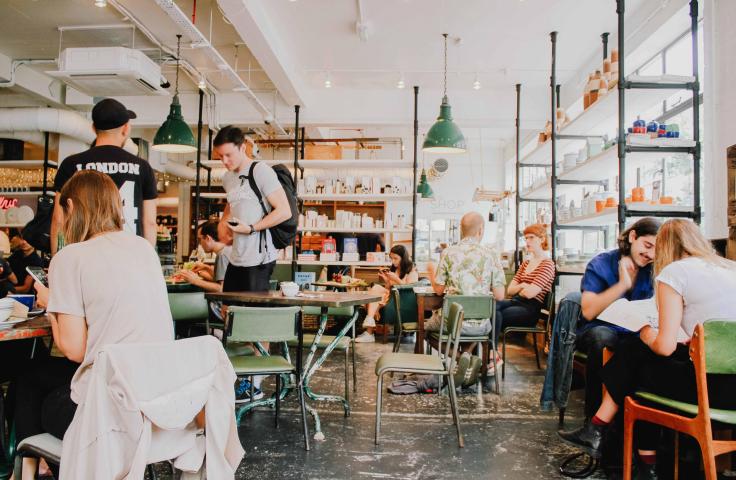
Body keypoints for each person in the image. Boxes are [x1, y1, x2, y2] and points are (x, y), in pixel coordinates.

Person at [14, 170, 173, 480]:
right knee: (36, 377)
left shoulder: (70, 257)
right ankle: (37, 466)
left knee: (29, 380)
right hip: (154, 400)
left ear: (71, 207)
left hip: (109, 414)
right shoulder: (144, 249)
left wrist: (52, 306)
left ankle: (33, 467)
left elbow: (75, 350)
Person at [559, 219, 736, 479]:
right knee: (640, 356)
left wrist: (645, 331)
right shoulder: (730, 267)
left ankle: (604, 433)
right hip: (731, 390)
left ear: (664, 247)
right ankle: (618, 444)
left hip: (707, 392)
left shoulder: (675, 273)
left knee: (638, 359)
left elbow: (664, 347)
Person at [51, 98, 158, 254]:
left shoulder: (71, 164)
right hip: (129, 255)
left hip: (85, 255)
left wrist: (57, 260)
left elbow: (59, 219)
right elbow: (149, 222)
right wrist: (148, 260)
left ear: (94, 128)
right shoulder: (142, 167)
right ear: (126, 129)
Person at [577, 217, 660, 418]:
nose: (650, 254)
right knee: (603, 338)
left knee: (654, 345)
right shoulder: (601, 264)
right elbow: (588, 311)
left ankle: (643, 430)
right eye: (647, 245)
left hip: (638, 332)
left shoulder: (655, 269)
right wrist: (622, 285)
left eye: (656, 250)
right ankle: (594, 423)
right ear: (633, 236)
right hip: (600, 329)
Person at [214, 126, 291, 292]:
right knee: (228, 310)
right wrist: (223, 220)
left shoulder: (260, 171)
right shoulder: (227, 178)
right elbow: (233, 201)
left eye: (229, 155)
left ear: (242, 148)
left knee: (251, 314)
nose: (225, 161)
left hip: (259, 259)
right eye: (220, 156)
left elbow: (284, 211)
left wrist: (251, 228)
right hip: (236, 257)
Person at [425, 211, 505, 338]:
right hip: (481, 326)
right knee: (471, 334)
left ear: (461, 230)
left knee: (425, 328)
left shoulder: (448, 253)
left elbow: (439, 291)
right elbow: (500, 295)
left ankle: (457, 355)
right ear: (481, 230)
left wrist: (431, 272)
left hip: (451, 323)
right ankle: (466, 355)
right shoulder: (492, 254)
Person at [493, 223, 555, 374]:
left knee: (496, 314)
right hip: (516, 302)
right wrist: (523, 285)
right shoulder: (526, 263)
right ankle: (490, 354)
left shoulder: (547, 264)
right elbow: (510, 290)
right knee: (492, 305)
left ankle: (490, 354)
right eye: (526, 238)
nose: (527, 242)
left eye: (531, 238)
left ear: (541, 239)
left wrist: (521, 286)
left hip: (530, 309)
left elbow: (530, 294)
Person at [355, 244, 419, 343]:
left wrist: (396, 279)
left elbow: (410, 288)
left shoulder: (412, 269)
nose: (393, 261)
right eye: (391, 258)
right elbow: (388, 288)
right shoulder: (395, 269)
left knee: (374, 295)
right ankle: (369, 324)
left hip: (402, 300)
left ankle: (369, 332)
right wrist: (387, 280)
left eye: (395, 258)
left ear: (403, 257)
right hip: (391, 296)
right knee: (375, 290)